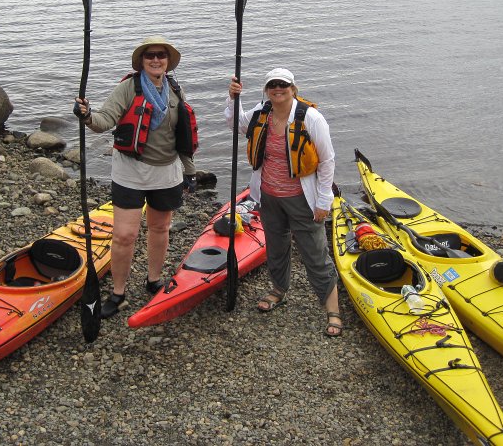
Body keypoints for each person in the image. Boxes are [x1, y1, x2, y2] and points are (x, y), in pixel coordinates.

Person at [74, 36, 197, 318]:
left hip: (167, 172)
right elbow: (104, 120)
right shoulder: (129, 87)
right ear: (142, 61)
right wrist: (87, 115)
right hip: (130, 171)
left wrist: (189, 172)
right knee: (125, 235)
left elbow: (185, 135)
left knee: (159, 228)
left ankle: (153, 279)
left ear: (167, 62)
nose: (156, 60)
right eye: (150, 55)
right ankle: (118, 293)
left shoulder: (175, 90)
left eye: (161, 56)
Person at [225, 68, 342, 336]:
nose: (278, 89)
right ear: (267, 90)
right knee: (276, 247)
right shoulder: (261, 112)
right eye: (273, 85)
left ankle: (332, 309)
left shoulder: (310, 117)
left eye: (283, 85)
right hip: (268, 196)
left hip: (302, 199)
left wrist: (324, 200)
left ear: (293, 88)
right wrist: (233, 98)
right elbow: (236, 124)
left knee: (315, 254)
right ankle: (279, 290)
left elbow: (327, 160)